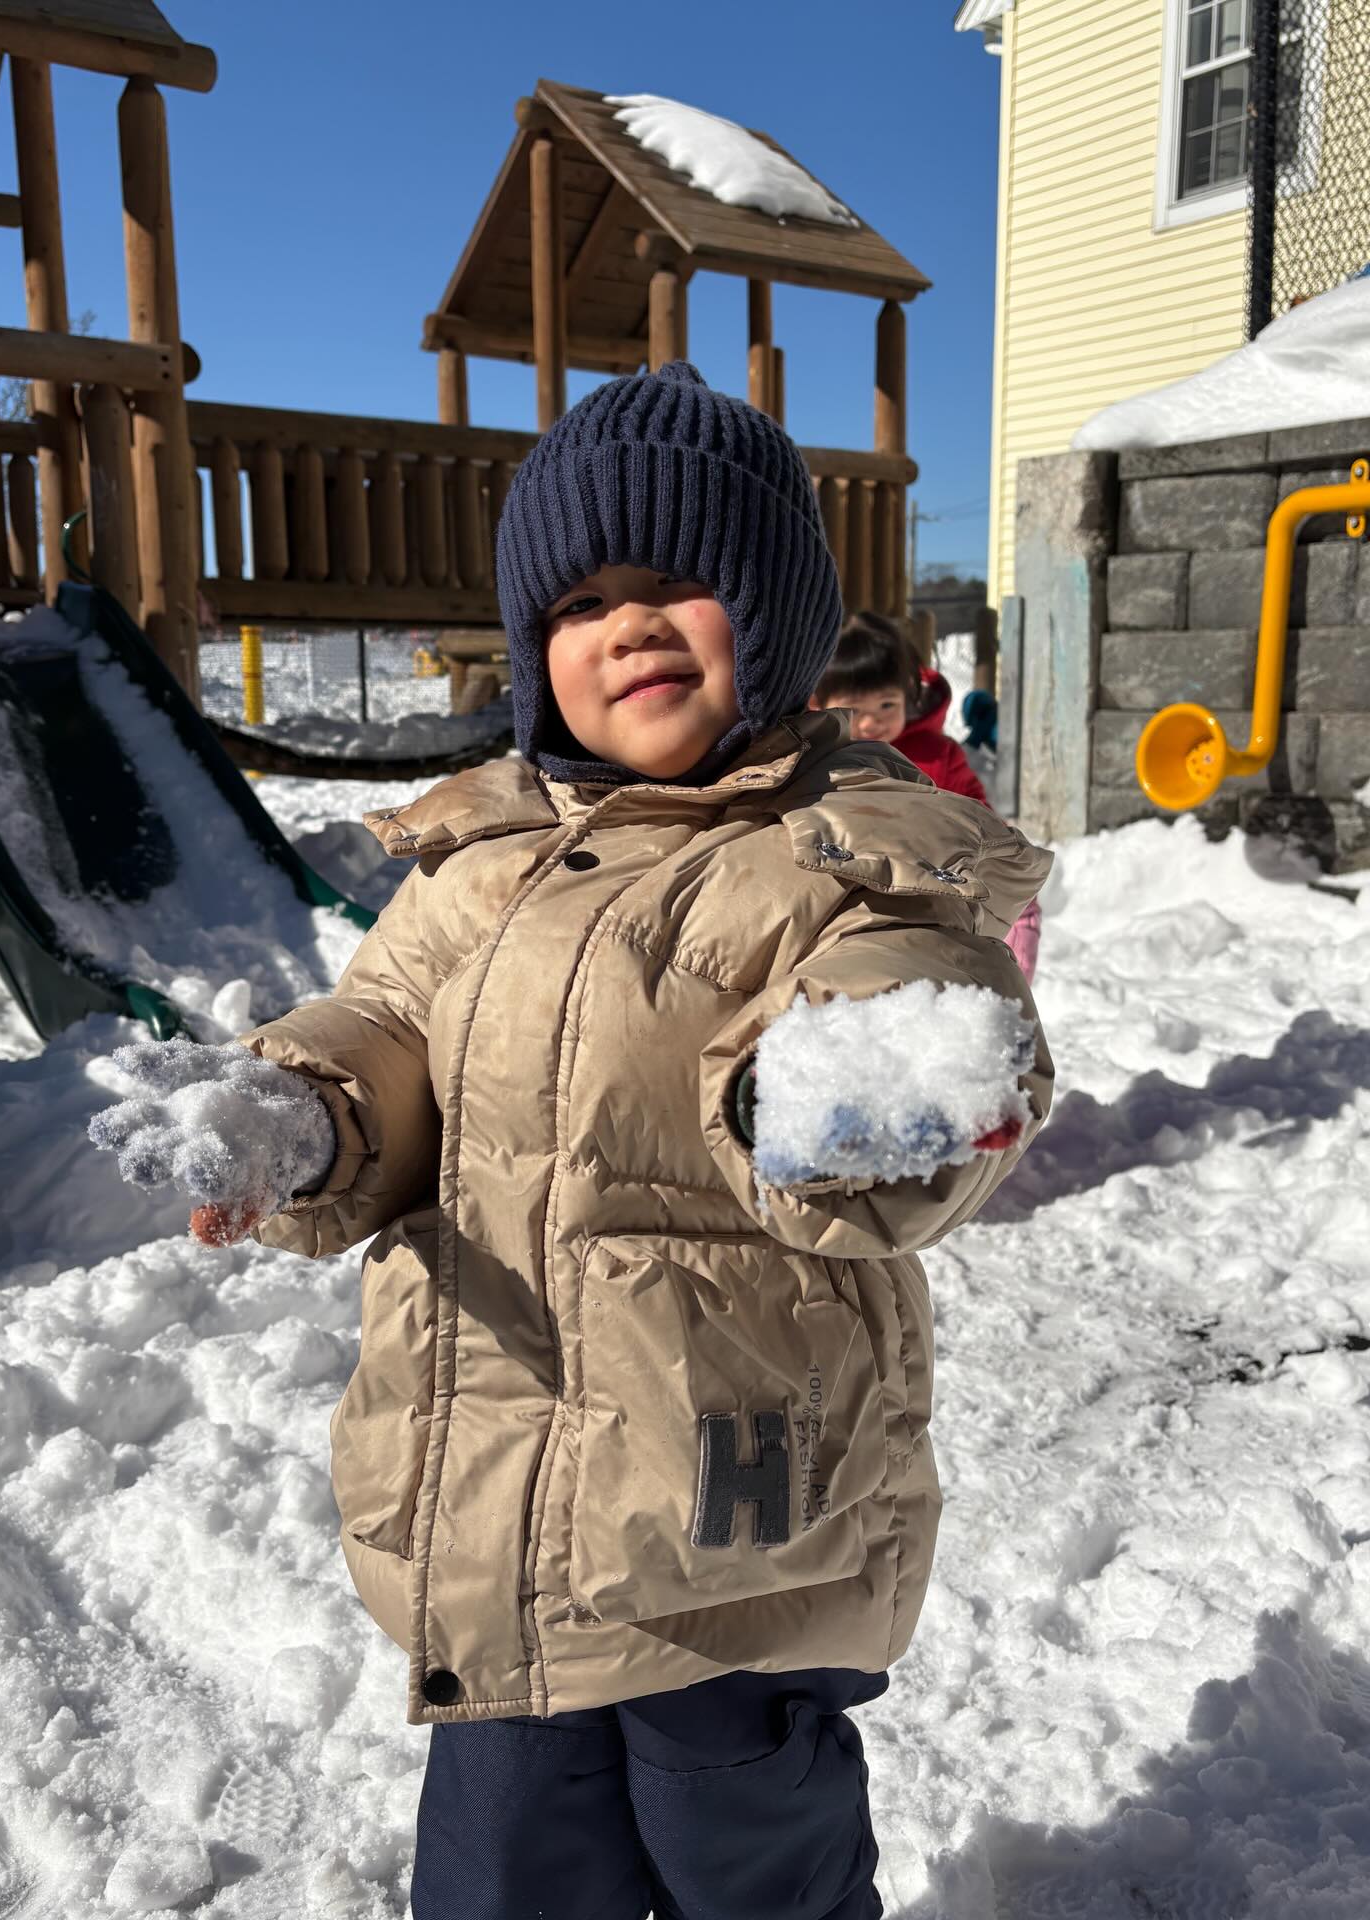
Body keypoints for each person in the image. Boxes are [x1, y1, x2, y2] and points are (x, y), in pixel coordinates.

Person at [89, 363, 1053, 1920]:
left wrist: (853, 1095)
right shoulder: (480, 864)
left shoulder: (845, 847)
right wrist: (305, 1115)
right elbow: (389, 1033)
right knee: (507, 1853)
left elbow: (921, 990)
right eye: (584, 599)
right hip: (503, 1467)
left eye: (680, 580)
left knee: (744, 1843)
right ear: (537, 650)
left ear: (776, 616)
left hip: (738, 1491)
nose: (632, 624)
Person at [810, 611, 1042, 983]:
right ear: (820, 703)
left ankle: (1000, 987)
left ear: (909, 696)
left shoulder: (936, 754)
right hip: (856, 897)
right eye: (855, 711)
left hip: (936, 887)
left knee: (1018, 908)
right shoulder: (819, 758)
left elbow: (974, 811)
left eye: (887, 705)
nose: (872, 723)